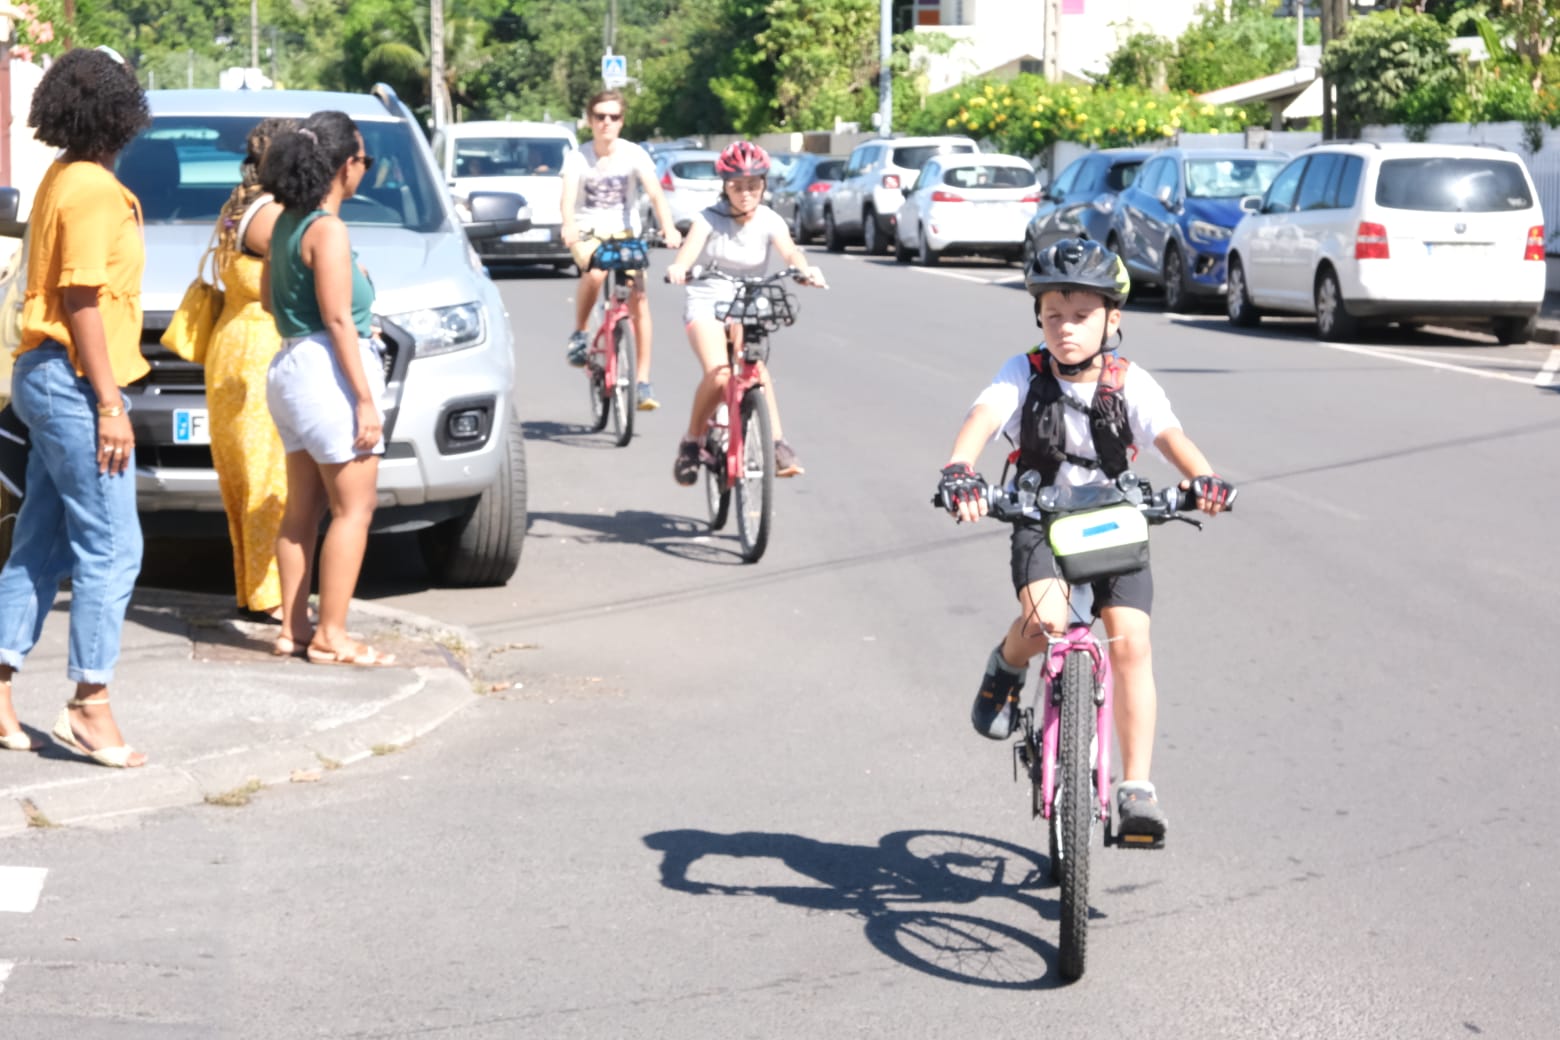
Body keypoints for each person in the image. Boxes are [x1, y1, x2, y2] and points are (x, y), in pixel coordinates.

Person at [934, 238, 1235, 845]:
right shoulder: (1022, 371)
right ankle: (1006, 666)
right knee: (1045, 622)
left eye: (1081, 316)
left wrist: (1202, 478)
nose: (1065, 329)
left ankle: (1136, 789)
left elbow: (1170, 436)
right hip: (1038, 515)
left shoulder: (1131, 382)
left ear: (1111, 318)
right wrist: (959, 470)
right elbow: (983, 419)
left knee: (1132, 641)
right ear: (1038, 318)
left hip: (1114, 518)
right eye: (1052, 316)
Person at [0, 48, 151, 767]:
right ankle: (89, 705)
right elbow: (82, 299)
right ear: (119, 112)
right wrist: (110, 403)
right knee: (114, 546)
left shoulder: (62, 175)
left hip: (46, 374)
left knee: (40, 543)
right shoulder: (91, 187)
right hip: (73, 381)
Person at [259, 111, 395, 667]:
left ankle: (293, 629)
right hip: (328, 373)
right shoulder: (328, 229)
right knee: (353, 510)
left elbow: (269, 301)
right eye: (362, 160)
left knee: (301, 512)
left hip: (289, 366)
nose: (364, 169)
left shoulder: (283, 221)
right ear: (344, 167)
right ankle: (332, 634)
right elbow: (340, 320)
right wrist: (365, 399)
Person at [665, 141, 825, 485]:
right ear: (725, 185)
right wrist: (679, 268)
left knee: (754, 368)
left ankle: (777, 443)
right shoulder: (709, 219)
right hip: (708, 299)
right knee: (720, 373)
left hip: (750, 300)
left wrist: (805, 271)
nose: (745, 193)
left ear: (764, 185)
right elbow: (688, 253)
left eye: (753, 185)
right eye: (737, 185)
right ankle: (692, 442)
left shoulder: (770, 220)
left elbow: (791, 252)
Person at [206, 117, 294, 624]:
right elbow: (309, 257)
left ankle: (255, 589)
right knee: (267, 481)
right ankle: (270, 596)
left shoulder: (239, 203)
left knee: (246, 479)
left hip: (235, 345)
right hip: (259, 348)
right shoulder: (270, 216)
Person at [560, 89, 682, 410]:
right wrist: (568, 224)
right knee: (597, 273)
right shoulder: (578, 156)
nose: (606, 123)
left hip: (625, 232)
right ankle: (581, 332)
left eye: (613, 117)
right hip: (588, 230)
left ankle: (642, 381)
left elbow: (655, 194)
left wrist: (668, 227)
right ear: (590, 120)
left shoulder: (634, 154)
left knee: (639, 299)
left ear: (622, 121)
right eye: (600, 116)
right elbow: (568, 195)